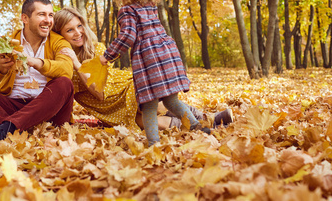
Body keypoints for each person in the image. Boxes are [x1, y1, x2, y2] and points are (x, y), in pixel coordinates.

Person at [52, 7, 233, 135]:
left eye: (79, 26)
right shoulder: (64, 66)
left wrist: (77, 63)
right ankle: (205, 125)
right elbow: (98, 97)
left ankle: (209, 119)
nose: (78, 33)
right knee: (155, 124)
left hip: (125, 88)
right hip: (110, 110)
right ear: (60, 36)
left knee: (159, 106)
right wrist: (74, 63)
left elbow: (101, 90)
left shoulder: (96, 50)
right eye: (70, 30)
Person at [99, 0, 211, 147]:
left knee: (148, 105)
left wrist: (108, 55)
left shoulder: (127, 10)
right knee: (171, 100)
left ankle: (153, 143)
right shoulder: (151, 7)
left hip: (149, 61)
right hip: (167, 54)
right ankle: (196, 126)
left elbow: (128, 36)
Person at [0, 0, 75, 145]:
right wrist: (0, 68)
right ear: (25, 18)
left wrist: (35, 62)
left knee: (65, 83)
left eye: (51, 15)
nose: (48, 20)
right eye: (41, 15)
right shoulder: (7, 41)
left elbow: (66, 70)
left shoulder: (59, 41)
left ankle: (4, 129)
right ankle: (7, 127)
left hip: (48, 109)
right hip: (12, 107)